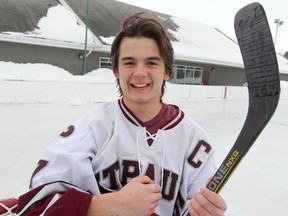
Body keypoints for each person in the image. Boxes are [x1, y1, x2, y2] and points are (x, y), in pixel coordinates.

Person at [16, 13, 227, 216]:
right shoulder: (92, 127)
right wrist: (108, 205)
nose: (139, 73)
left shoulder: (193, 139)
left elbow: (198, 206)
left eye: (151, 63)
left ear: (167, 71)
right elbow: (35, 205)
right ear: (116, 70)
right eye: (129, 62)